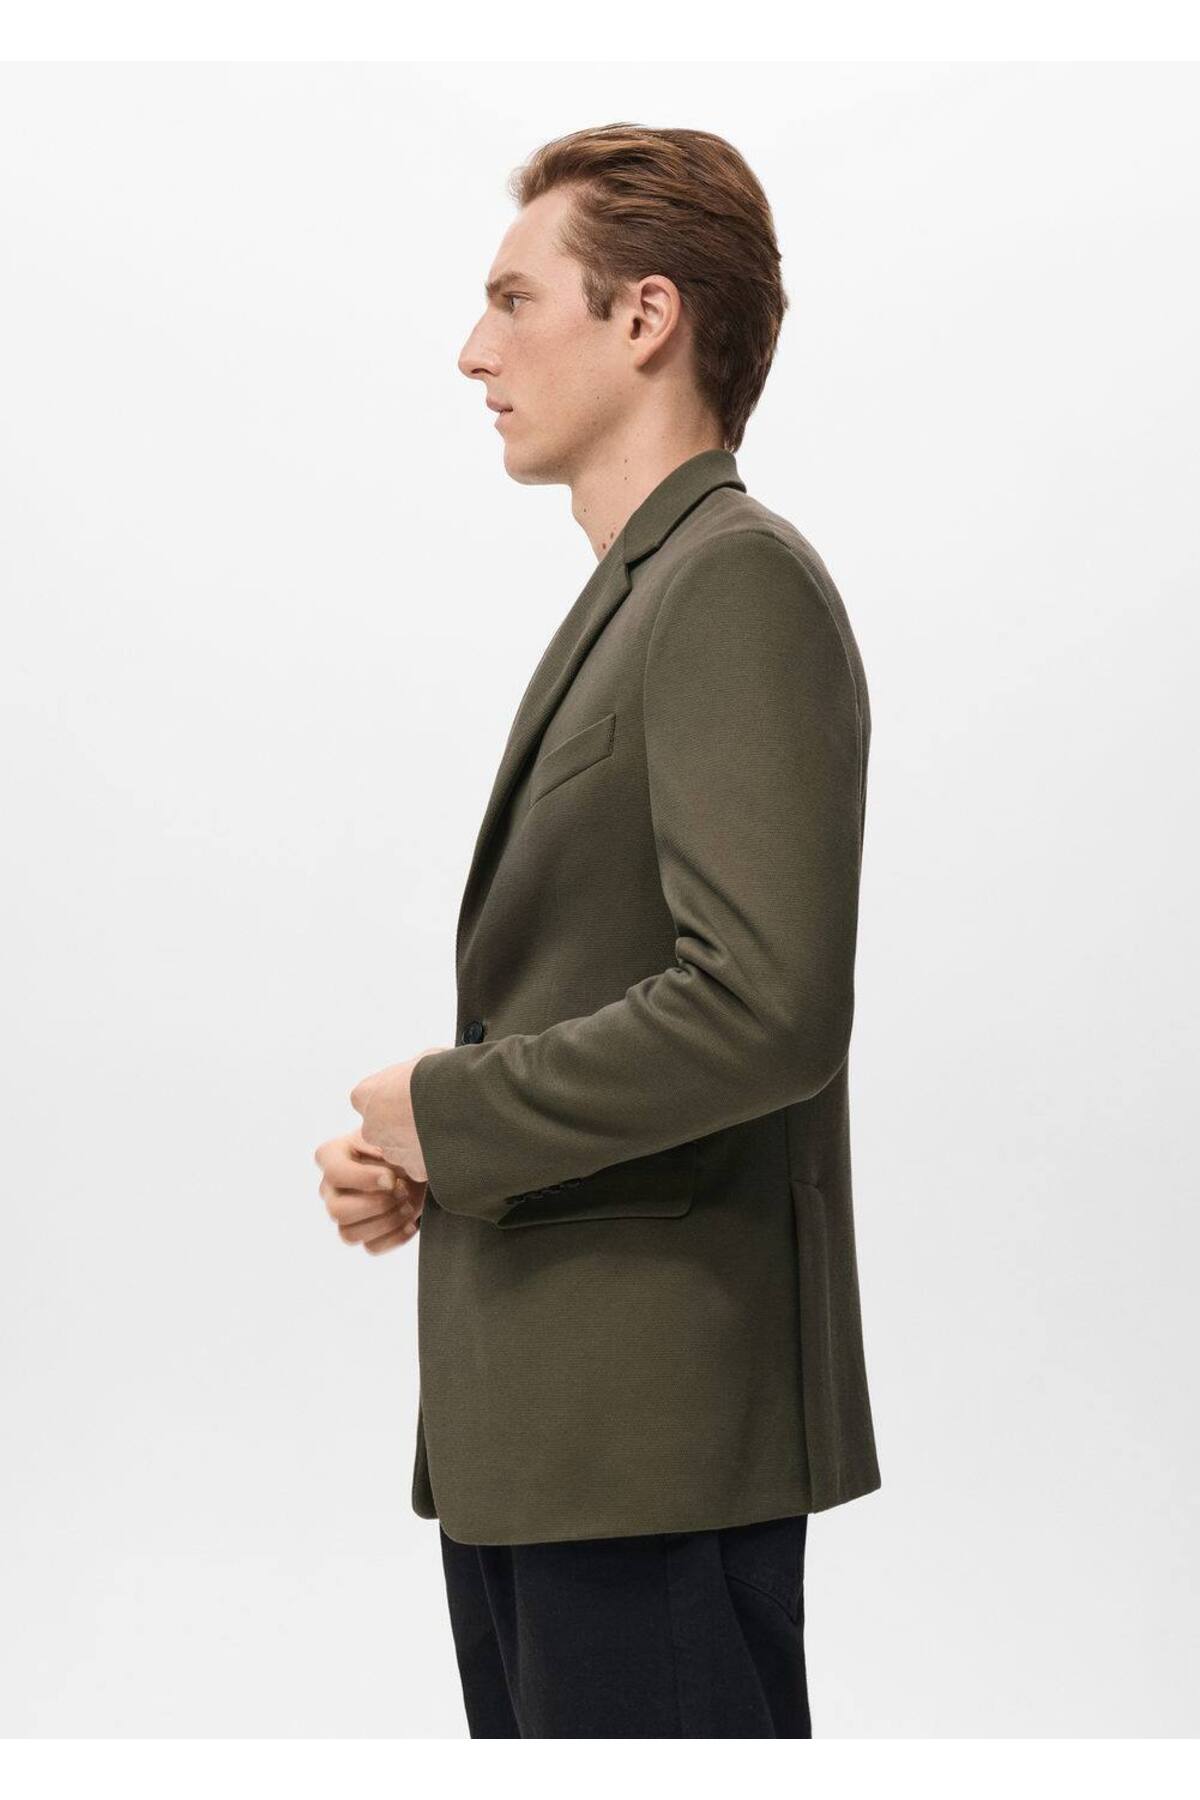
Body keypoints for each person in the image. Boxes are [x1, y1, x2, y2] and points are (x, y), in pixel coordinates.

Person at [314, 122, 881, 1738]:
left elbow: (765, 1004)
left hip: (649, 1448)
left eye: (513, 300)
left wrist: (450, 1108)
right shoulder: (645, 590)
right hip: (550, 1441)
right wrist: (441, 1159)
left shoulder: (732, 583)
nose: (473, 351)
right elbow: (622, 990)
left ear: (645, 318)